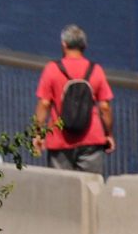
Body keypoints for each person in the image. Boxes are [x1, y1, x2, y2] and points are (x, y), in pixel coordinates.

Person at [34, 25, 116, 174]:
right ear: (85, 46)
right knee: (91, 188)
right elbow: (105, 107)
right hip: (91, 139)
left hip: (59, 140)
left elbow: (44, 104)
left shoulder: (52, 69)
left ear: (63, 44)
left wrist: (38, 134)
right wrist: (109, 134)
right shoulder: (96, 70)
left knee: (61, 188)